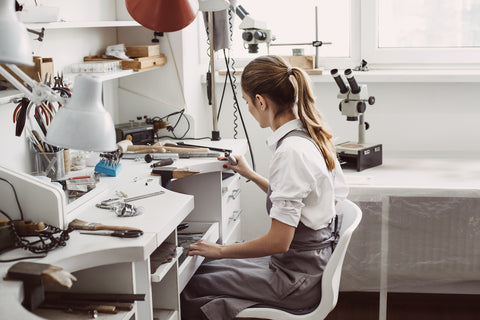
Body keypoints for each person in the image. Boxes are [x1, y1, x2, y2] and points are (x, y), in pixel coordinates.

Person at [180, 55, 349, 320]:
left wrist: (221, 251)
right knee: (205, 269)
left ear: (261, 101)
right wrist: (251, 175)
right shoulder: (309, 135)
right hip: (307, 265)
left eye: (247, 102)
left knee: (191, 285)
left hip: (294, 279)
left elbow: (279, 242)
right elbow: (301, 200)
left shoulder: (291, 152)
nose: (248, 108)